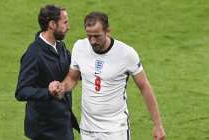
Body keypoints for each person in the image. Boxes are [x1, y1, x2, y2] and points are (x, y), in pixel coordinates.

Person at [49, 12, 166, 140]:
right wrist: (62, 87)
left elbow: (144, 86)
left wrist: (158, 125)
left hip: (115, 129)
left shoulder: (126, 54)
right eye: (89, 36)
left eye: (97, 36)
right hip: (88, 128)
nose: (93, 41)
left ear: (107, 31)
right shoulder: (80, 47)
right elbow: (72, 78)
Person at [15, 5, 79, 140]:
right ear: (52, 24)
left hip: (63, 123)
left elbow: (72, 72)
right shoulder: (34, 54)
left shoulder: (59, 46)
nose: (68, 27)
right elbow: (21, 91)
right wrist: (48, 92)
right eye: (65, 22)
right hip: (45, 131)